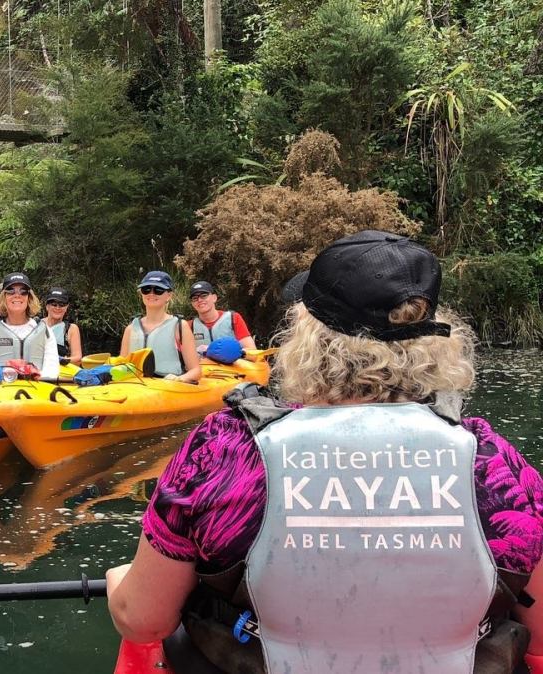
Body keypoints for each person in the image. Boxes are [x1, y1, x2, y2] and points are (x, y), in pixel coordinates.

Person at [106, 231, 543, 673]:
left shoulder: (225, 446)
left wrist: (117, 582)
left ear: (309, 337)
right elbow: (540, 630)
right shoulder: (492, 460)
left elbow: (142, 622)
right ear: (435, 342)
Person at [119, 271, 201, 383]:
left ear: (169, 295)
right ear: (141, 294)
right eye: (146, 289)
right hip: (135, 387)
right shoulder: (130, 329)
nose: (151, 294)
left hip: (168, 388)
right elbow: (121, 366)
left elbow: (196, 370)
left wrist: (180, 379)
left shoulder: (180, 326)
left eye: (158, 290)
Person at [0, 273, 61, 380]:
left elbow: (52, 370)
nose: (17, 295)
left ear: (29, 298)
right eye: (10, 291)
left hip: (37, 389)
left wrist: (35, 373)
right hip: (2, 390)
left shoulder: (45, 332)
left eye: (23, 291)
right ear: (4, 297)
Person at [186, 280, 257, 353]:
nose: (199, 300)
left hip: (232, 363)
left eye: (204, 296)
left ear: (214, 298)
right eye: (195, 298)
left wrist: (222, 351)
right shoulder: (188, 326)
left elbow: (251, 349)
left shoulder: (233, 318)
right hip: (202, 364)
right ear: (192, 303)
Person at [42, 287, 83, 366]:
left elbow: (78, 358)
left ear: (66, 307)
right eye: (54, 304)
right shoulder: (36, 325)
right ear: (47, 306)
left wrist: (61, 360)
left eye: (62, 305)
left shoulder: (71, 329)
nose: (57, 308)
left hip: (61, 372)